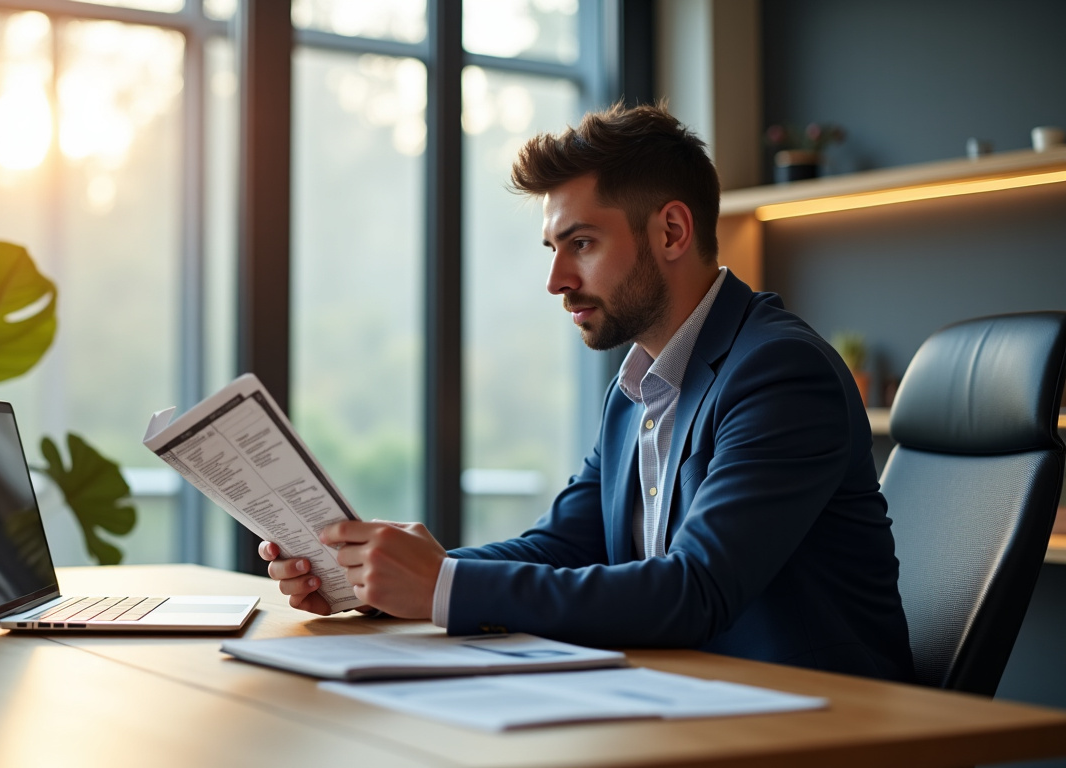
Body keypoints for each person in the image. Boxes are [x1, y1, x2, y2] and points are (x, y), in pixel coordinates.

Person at [260, 102, 916, 682]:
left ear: (671, 232)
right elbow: (565, 545)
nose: (555, 279)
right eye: (552, 247)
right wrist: (383, 579)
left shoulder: (779, 372)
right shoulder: (636, 388)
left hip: (816, 727)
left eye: (581, 243)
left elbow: (694, 591)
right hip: (686, 704)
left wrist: (442, 585)